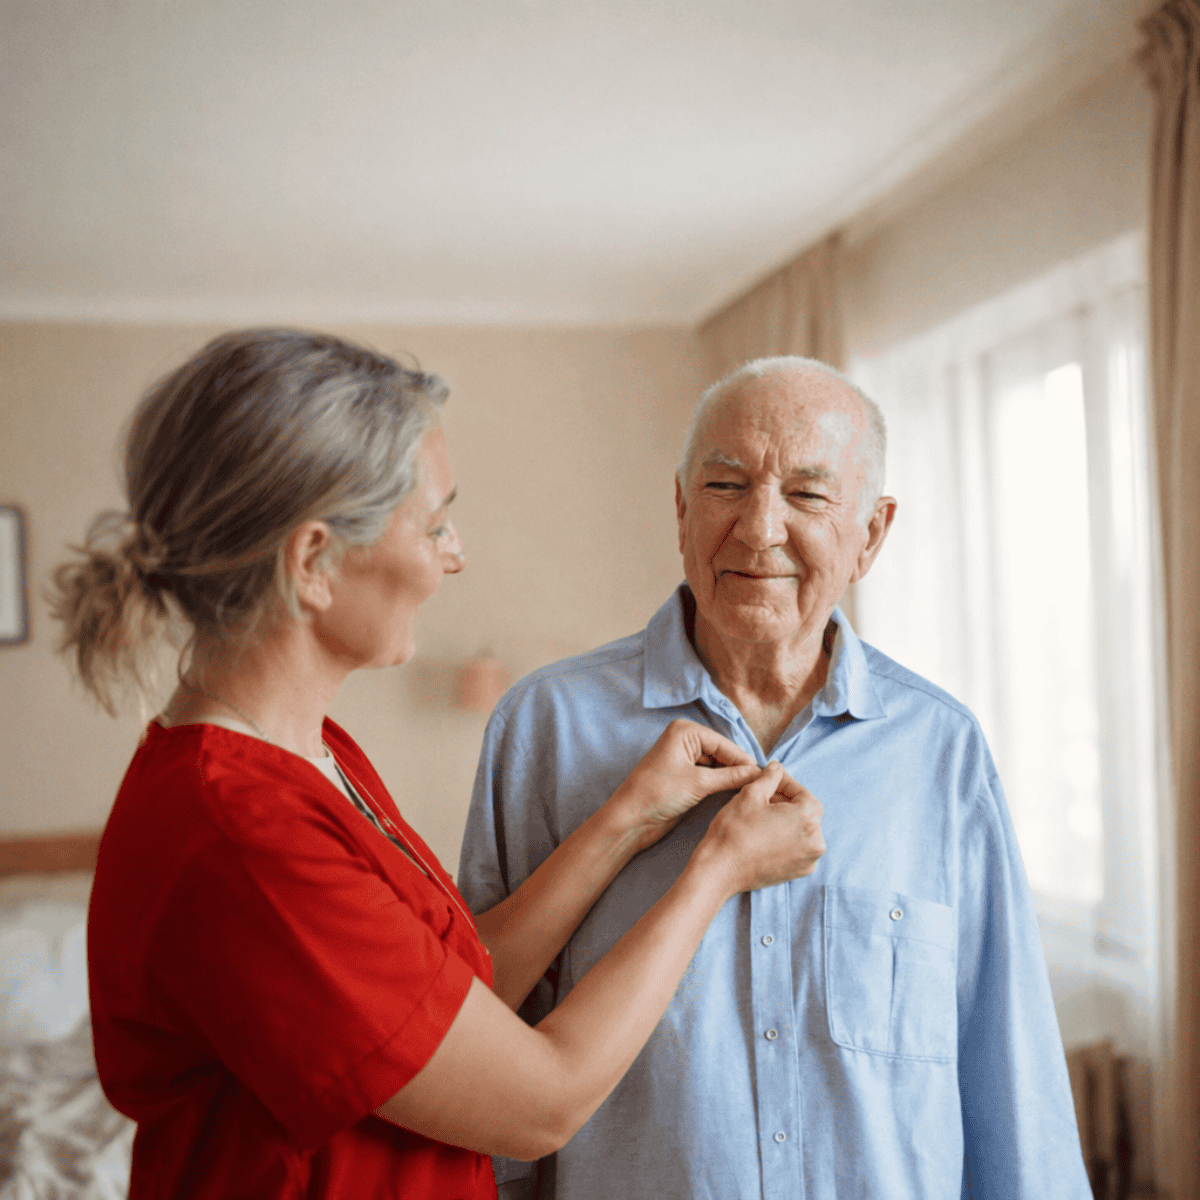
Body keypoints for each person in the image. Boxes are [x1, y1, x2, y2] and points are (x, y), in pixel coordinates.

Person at [49, 329, 826, 1200]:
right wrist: (719, 868)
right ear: (313, 562)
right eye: (434, 522)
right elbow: (540, 1100)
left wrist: (627, 819)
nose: (454, 553)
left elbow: (451, 994)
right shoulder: (242, 835)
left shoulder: (312, 752)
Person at [458, 355, 1092, 1200]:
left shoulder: (941, 749)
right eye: (725, 486)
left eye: (807, 494)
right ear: (681, 508)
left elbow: (1006, 1070)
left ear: (872, 532)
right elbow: (478, 1046)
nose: (759, 530)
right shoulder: (544, 729)